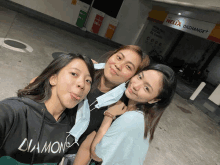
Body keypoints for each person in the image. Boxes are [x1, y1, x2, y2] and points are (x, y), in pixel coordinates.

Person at [59, 45, 150, 165]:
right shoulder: (84, 71)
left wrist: (109, 116)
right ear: (110, 55)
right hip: (42, 138)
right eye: (119, 57)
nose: (118, 65)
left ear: (132, 77)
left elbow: (87, 147)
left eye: (128, 67)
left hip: (69, 153)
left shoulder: (118, 107)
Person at [0, 53, 95, 165]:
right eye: (74, 74)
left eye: (88, 80)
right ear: (53, 79)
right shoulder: (16, 112)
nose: (82, 84)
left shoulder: (72, 125)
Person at [75, 63, 177, 165]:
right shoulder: (137, 114)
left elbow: (96, 153)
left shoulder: (131, 119)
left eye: (146, 88)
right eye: (140, 77)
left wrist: (109, 116)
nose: (136, 86)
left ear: (154, 99)